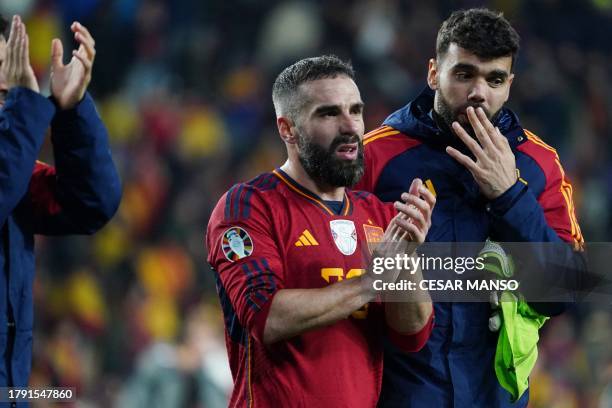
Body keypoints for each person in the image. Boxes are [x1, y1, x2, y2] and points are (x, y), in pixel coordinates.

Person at [355, 8, 585, 408]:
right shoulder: (374, 156)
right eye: (464, 74)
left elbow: (562, 292)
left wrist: (509, 194)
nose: (479, 92)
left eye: (495, 79)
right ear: (433, 73)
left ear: (509, 86)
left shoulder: (539, 164)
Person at [206, 55, 436, 407]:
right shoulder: (249, 206)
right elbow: (266, 317)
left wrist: (405, 259)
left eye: (356, 111)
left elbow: (413, 334)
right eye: (329, 113)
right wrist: (369, 283)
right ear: (288, 129)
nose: (350, 127)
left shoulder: (379, 214)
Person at [0, 14, 121, 392]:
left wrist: (72, 114)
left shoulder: (14, 165)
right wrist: (22, 112)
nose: (9, 84)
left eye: (11, 70)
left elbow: (89, 202)